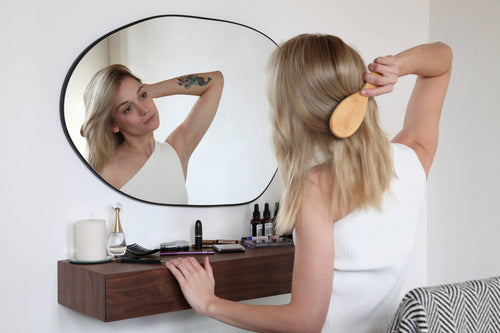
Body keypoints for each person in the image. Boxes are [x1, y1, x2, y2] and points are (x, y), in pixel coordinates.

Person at [165, 34, 453, 332]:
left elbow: (305, 322)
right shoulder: (413, 159)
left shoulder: (314, 189)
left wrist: (210, 304)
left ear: (290, 112)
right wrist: (398, 66)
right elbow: (442, 59)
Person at [80, 65, 224, 204]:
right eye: (128, 108)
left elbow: (215, 81)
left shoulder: (174, 153)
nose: (144, 109)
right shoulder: (107, 174)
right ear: (113, 125)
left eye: (142, 96)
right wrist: (141, 92)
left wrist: (150, 89)